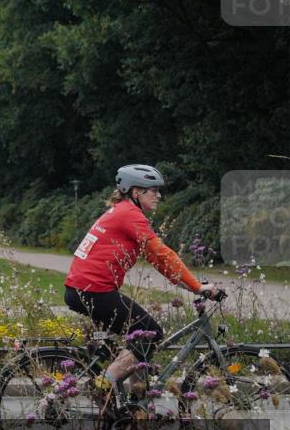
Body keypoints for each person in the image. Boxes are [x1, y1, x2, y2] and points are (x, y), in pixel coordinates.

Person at [64, 164, 221, 401]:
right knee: (150, 334)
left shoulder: (122, 211)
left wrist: (190, 284)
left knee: (139, 342)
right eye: (153, 190)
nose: (159, 196)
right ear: (136, 192)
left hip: (84, 290)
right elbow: (162, 254)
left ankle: (137, 406)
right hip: (94, 291)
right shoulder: (129, 214)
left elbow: (158, 261)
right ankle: (100, 388)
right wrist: (199, 288)